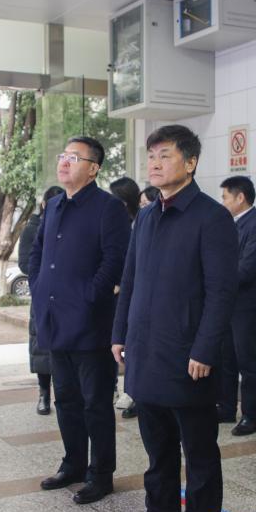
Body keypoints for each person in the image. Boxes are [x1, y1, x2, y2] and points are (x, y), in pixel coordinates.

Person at [110, 125, 237, 512]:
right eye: (151, 157)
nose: (155, 164)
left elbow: (222, 292)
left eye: (165, 155)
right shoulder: (146, 216)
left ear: (191, 162)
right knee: (157, 445)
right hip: (146, 351)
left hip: (188, 357)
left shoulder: (211, 217)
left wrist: (205, 349)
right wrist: (120, 332)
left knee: (199, 452)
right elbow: (130, 280)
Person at [29, 137, 130, 505]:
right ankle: (72, 463)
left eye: (73, 157)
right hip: (55, 319)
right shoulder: (54, 205)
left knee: (95, 403)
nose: (64, 162)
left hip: (91, 322)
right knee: (66, 399)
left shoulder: (109, 208)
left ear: (93, 168)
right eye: (63, 156)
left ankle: (100, 474)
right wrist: (38, 286)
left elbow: (115, 260)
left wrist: (90, 296)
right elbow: (38, 251)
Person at [217, 175, 256, 436]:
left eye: (225, 197)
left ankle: (251, 415)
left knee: (246, 360)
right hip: (228, 302)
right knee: (226, 357)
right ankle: (226, 407)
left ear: (240, 197)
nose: (222, 202)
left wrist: (217, 280)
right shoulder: (229, 223)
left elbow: (247, 268)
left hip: (246, 304)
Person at [19, 185, 64, 415]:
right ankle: (44, 393)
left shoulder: (67, 226)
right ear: (45, 205)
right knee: (40, 345)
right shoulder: (33, 228)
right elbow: (24, 263)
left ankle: (64, 393)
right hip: (42, 296)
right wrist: (44, 278)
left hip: (66, 297)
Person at [107, 176, 140, 416]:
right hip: (121, 294)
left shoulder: (140, 222)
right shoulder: (118, 223)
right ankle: (127, 392)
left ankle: (135, 394)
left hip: (135, 295)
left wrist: (120, 283)